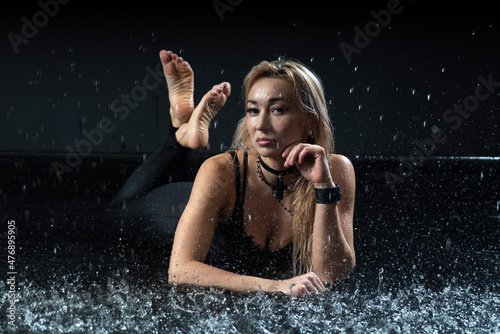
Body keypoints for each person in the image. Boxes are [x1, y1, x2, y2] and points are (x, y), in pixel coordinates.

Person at [167, 53, 356, 297]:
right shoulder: (220, 171)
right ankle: (179, 133)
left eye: (278, 110)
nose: (261, 124)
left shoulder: (336, 169)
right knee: (122, 206)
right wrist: (276, 286)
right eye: (253, 111)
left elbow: (332, 272)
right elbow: (179, 270)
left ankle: (180, 130)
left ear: (310, 118)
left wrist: (323, 186)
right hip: (166, 210)